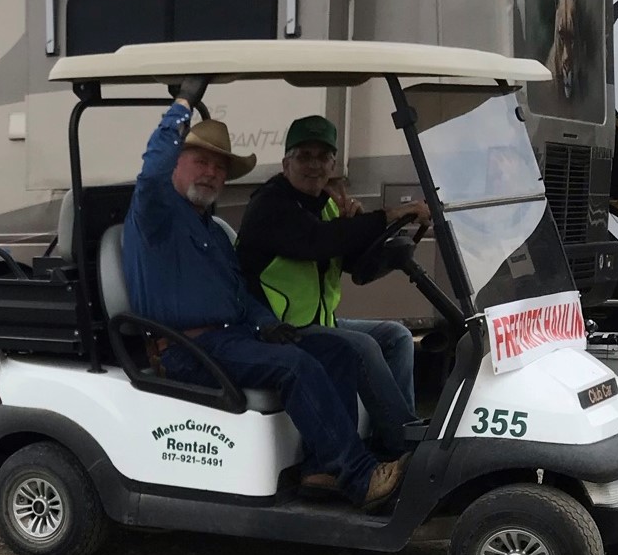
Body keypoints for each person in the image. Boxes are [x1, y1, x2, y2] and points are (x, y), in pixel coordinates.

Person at [123, 84, 407, 510]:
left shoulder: (210, 229)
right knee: (294, 366)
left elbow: (239, 289)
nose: (210, 174)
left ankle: (322, 468)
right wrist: (182, 103)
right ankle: (361, 477)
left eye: (220, 169)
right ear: (176, 164)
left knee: (338, 352)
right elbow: (151, 167)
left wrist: (266, 324)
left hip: (233, 337)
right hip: (189, 348)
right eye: (200, 162)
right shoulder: (156, 213)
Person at [235, 115, 431, 459]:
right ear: (285, 163)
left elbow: (358, 268)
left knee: (397, 337)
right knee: (362, 347)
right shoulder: (270, 205)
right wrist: (384, 216)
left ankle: (392, 440)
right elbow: (317, 242)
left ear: (333, 164)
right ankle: (407, 448)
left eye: (322, 157)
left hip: (317, 323)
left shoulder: (326, 205)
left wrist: (357, 227)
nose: (314, 166)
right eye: (304, 157)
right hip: (276, 330)